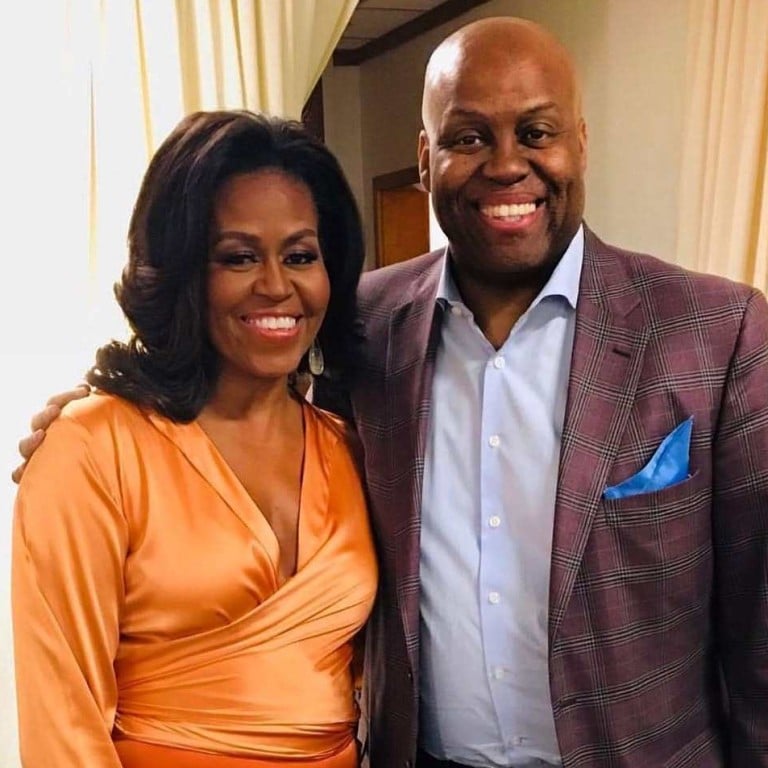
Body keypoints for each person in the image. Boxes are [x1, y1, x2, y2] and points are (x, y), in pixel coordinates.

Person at [15, 16, 768, 768]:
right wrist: (95, 416)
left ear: (580, 139)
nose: (508, 166)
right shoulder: (367, 334)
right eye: (469, 138)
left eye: (536, 133)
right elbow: (218, 397)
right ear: (424, 157)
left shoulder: (714, 333)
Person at [11, 109, 377, 768]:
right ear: (182, 272)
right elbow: (64, 720)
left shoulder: (354, 449)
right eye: (237, 257)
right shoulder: (93, 450)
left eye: (300, 255)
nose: (276, 285)